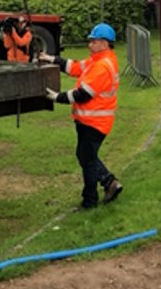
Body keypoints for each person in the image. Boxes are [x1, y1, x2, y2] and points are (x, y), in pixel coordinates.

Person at [38, 24, 123, 209]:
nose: (89, 44)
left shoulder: (102, 66)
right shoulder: (98, 60)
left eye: (93, 41)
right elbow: (75, 67)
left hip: (94, 122)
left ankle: (90, 201)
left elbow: (82, 94)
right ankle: (109, 183)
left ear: (104, 44)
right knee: (86, 156)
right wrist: (50, 58)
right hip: (90, 121)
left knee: (88, 160)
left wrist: (56, 97)